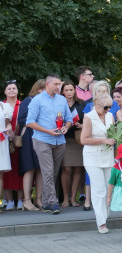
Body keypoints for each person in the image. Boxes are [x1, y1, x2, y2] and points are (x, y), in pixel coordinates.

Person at [26, 74, 74, 214]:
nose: (59, 87)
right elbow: (29, 122)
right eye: (56, 84)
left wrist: (67, 126)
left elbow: (69, 118)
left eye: (59, 84)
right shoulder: (37, 100)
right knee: (47, 171)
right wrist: (48, 131)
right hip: (42, 139)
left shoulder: (61, 99)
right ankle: (53, 203)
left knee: (53, 172)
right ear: (47, 84)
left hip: (59, 139)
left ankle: (46, 202)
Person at [81, 91, 115, 233]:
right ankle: (101, 222)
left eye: (109, 107)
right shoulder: (89, 117)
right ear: (96, 104)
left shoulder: (110, 116)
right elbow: (84, 140)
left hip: (108, 157)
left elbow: (113, 134)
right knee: (99, 189)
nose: (107, 110)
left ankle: (105, 216)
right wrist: (103, 140)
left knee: (109, 189)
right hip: (92, 157)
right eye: (105, 107)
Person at [17, 79, 45, 211]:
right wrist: (37, 124)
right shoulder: (28, 100)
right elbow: (21, 119)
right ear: (39, 89)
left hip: (43, 137)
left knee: (40, 168)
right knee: (30, 168)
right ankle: (27, 200)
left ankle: (38, 198)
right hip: (29, 137)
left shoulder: (47, 102)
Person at [2, 80, 23, 210]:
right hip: (3, 142)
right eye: (9, 88)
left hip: (19, 141)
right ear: (4, 91)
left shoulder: (22, 105)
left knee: (20, 169)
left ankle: (20, 200)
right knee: (6, 172)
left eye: (14, 88)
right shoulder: (1, 106)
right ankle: (9, 200)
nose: (11, 90)